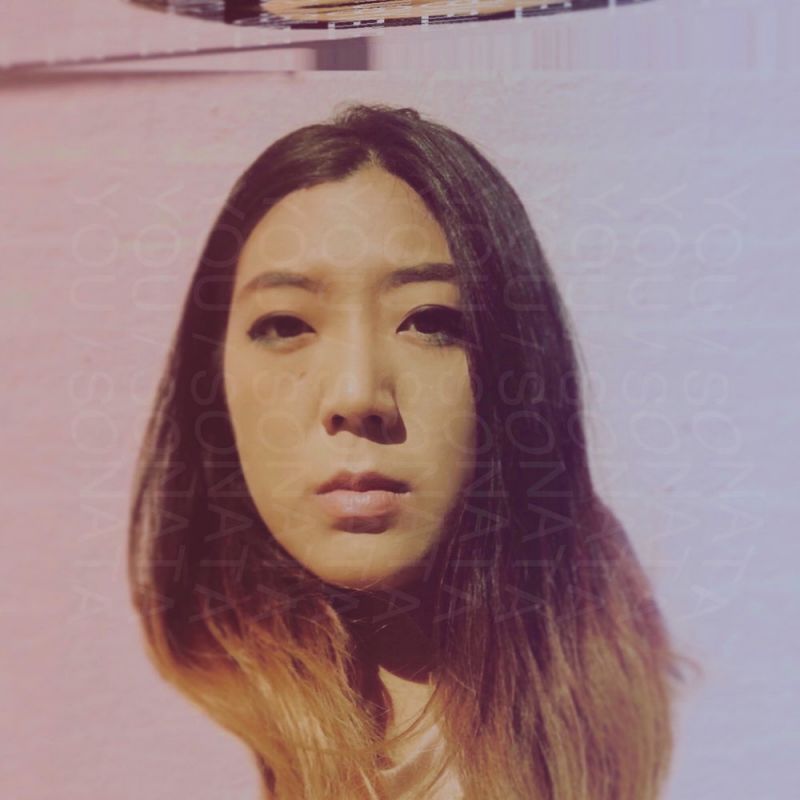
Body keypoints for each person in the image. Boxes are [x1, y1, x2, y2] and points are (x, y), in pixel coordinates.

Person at [128, 104, 686, 800]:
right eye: (285, 324)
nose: (357, 393)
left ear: (519, 368)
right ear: (210, 382)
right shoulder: (152, 744)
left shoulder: (665, 729)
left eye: (431, 321)